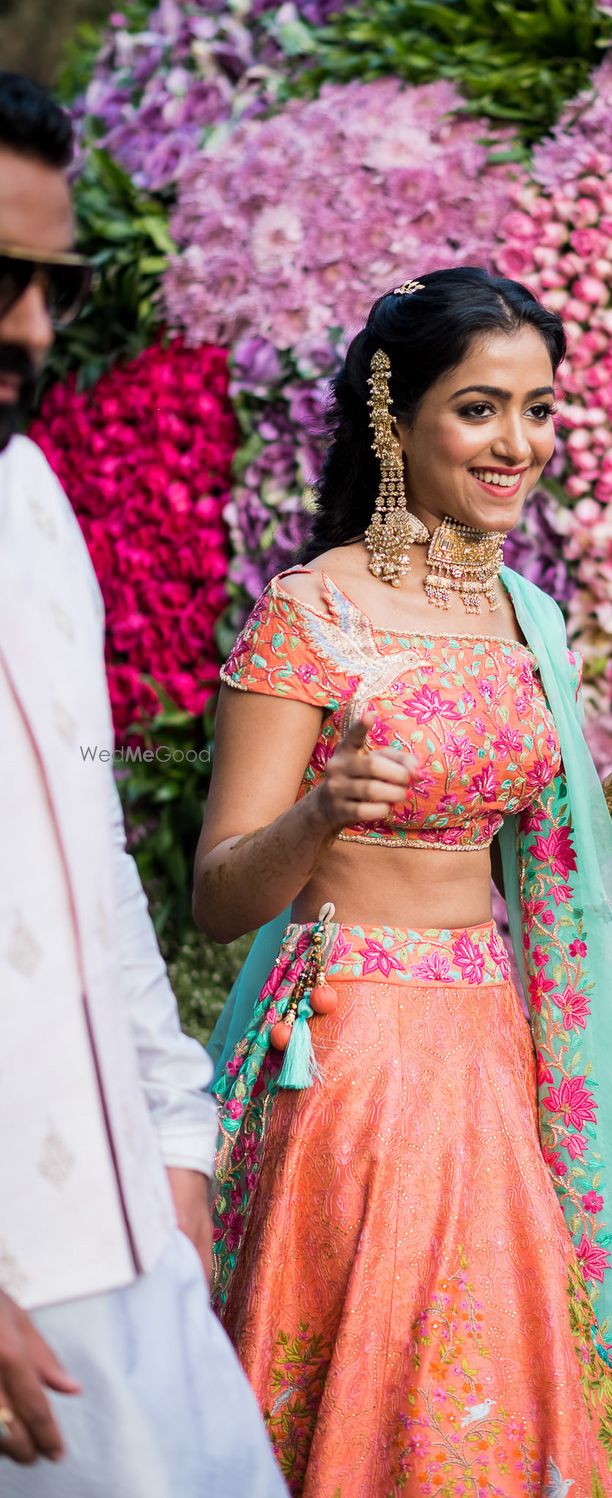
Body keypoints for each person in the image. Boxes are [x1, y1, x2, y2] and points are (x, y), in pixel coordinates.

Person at [198, 266, 612, 1497]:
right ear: (395, 414)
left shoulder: (527, 618)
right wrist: (319, 809)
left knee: (510, 1390)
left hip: (492, 1051)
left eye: (537, 408)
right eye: (479, 408)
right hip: (351, 1061)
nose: (516, 442)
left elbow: (552, 864)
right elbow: (218, 895)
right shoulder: (311, 614)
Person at [0, 71, 286, 1498]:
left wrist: (176, 1133)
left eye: (52, 285)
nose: (33, 330)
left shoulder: (32, 498)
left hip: (120, 1230)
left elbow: (87, 850)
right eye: (0, 280)